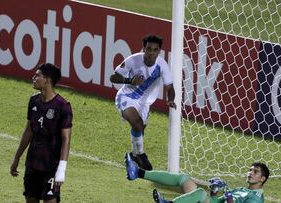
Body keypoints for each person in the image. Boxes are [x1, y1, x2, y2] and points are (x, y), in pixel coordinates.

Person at [110, 34, 176, 171]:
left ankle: (134, 156)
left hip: (145, 104)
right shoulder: (133, 60)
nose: (151, 53)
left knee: (139, 130)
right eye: (149, 49)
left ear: (159, 51)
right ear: (143, 49)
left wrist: (170, 100)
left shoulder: (162, 65)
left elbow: (170, 87)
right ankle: (141, 155)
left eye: (155, 50)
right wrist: (129, 81)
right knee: (137, 124)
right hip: (127, 97)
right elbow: (113, 77)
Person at [10, 63, 73, 203]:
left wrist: (61, 170)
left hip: (52, 165)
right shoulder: (33, 101)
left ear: (47, 80)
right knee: (30, 199)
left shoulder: (63, 106)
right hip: (33, 163)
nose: (33, 77)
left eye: (37, 75)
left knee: (50, 201)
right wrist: (17, 157)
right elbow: (28, 131)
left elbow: (66, 139)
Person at [125, 153, 270, 203]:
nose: (250, 173)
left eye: (255, 172)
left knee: (200, 194)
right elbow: (214, 201)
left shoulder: (257, 198)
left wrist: (228, 193)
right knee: (185, 179)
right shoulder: (241, 189)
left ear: (262, 179)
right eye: (250, 170)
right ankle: (137, 172)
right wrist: (214, 192)